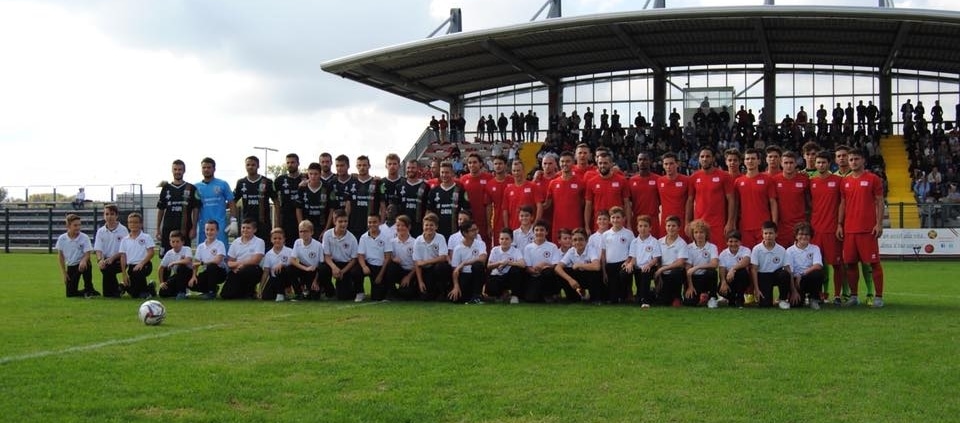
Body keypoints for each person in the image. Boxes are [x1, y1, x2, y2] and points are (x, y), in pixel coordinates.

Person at [838, 149, 886, 308]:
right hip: (849, 229)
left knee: (873, 263)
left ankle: (878, 297)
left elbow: (879, 201)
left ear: (863, 160)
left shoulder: (873, 179)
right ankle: (853, 296)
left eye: (856, 159)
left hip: (867, 229)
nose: (853, 162)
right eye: (850, 159)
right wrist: (840, 224)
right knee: (850, 264)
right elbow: (843, 204)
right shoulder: (845, 181)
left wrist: (879, 223)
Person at [809, 151, 845, 305]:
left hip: (832, 229)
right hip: (816, 229)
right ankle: (818, 294)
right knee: (817, 265)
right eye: (818, 162)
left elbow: (843, 202)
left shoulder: (838, 181)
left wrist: (839, 224)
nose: (821, 165)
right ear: (815, 164)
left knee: (837, 264)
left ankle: (837, 295)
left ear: (829, 163)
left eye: (823, 162)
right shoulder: (812, 182)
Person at [735, 148, 778, 248]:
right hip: (745, 226)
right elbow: (736, 205)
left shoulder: (768, 180)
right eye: (748, 159)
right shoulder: (738, 182)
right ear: (744, 161)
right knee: (748, 257)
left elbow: (773, 202)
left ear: (759, 161)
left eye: (753, 158)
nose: (750, 161)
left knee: (765, 256)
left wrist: (774, 224)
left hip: (764, 227)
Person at [691, 148, 736, 240]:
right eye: (702, 156)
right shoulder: (694, 177)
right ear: (699, 159)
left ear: (713, 158)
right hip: (699, 224)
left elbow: (731, 200)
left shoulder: (724, 176)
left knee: (718, 252)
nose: (704, 159)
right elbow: (689, 200)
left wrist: (730, 222)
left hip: (718, 224)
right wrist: (688, 222)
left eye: (708, 156)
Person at [157, 159, 199, 256]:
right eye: (175, 169)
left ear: (184, 171)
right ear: (172, 171)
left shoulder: (191, 188)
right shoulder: (166, 188)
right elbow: (161, 209)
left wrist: (194, 228)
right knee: (165, 258)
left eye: (180, 169)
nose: (177, 172)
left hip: (184, 229)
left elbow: (196, 209)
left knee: (185, 259)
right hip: (168, 229)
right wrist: (158, 229)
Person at [233, 156, 277, 245]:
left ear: (258, 166)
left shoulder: (266, 182)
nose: (250, 167)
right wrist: (233, 220)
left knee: (265, 247)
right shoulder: (241, 183)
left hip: (263, 223)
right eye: (248, 165)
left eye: (253, 165)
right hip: (247, 223)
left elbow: (276, 201)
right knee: (246, 247)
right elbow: (232, 202)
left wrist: (277, 222)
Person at [584, 152, 631, 234]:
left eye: (605, 163)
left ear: (611, 164)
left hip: (618, 225)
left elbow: (627, 204)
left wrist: (629, 224)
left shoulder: (622, 180)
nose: (602, 166)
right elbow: (588, 206)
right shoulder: (591, 182)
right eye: (600, 163)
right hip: (600, 226)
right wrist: (587, 226)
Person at [750, 221, 792, 309]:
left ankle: (783, 299)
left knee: (784, 274)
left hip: (776, 275)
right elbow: (754, 270)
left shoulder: (781, 250)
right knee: (765, 305)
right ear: (762, 234)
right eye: (766, 233)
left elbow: (788, 269)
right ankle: (767, 299)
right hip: (763, 276)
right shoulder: (757, 249)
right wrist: (756, 289)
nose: (768, 236)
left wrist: (793, 290)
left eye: (771, 233)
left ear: (776, 234)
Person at [544, 151, 585, 242]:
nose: (564, 164)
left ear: (573, 163)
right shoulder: (553, 183)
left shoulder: (580, 183)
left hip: (575, 224)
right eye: (562, 161)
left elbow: (584, 204)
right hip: (558, 224)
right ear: (559, 163)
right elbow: (547, 204)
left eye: (567, 161)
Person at [220, 219, 265, 300]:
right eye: (243, 228)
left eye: (248, 228)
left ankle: (251, 292)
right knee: (225, 295)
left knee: (248, 270)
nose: (245, 230)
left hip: (253, 270)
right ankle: (242, 292)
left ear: (254, 230)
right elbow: (229, 262)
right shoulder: (235, 242)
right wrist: (235, 267)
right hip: (237, 270)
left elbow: (256, 260)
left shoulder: (259, 242)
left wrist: (241, 265)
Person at [772, 151, 810, 248]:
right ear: (781, 163)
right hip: (782, 226)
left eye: (791, 163)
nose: (789, 166)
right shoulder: (774, 180)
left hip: (800, 225)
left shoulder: (804, 179)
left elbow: (810, 202)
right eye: (786, 163)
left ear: (796, 163)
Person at [195, 157, 236, 246]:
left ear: (214, 169)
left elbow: (231, 202)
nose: (206, 170)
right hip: (203, 226)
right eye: (204, 167)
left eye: (209, 167)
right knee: (203, 254)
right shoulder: (196, 187)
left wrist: (233, 220)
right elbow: (194, 208)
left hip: (220, 226)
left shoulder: (222, 184)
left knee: (221, 253)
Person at [322, 209, 361, 301]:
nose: (343, 224)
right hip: (332, 263)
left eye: (345, 221)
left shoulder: (352, 238)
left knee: (344, 297)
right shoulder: (327, 235)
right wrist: (333, 267)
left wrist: (342, 272)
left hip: (345, 265)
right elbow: (326, 256)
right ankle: (329, 291)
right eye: (340, 221)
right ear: (334, 221)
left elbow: (354, 259)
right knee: (322, 269)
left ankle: (351, 289)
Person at [600, 207, 635, 304]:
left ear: (624, 219)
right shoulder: (606, 234)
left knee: (624, 275)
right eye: (613, 217)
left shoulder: (629, 233)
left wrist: (628, 262)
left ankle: (627, 293)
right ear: (610, 219)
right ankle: (616, 296)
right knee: (613, 300)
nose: (615, 220)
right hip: (610, 266)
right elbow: (603, 254)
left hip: (623, 264)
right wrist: (604, 271)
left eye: (618, 217)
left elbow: (632, 252)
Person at [555, 228, 599, 303]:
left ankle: (595, 298)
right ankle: (574, 298)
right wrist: (570, 280)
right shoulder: (571, 251)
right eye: (575, 240)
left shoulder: (591, 249)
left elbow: (597, 266)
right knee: (563, 272)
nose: (578, 242)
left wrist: (579, 265)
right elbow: (557, 268)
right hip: (577, 280)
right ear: (572, 242)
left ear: (586, 241)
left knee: (594, 273)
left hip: (589, 279)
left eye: (581, 239)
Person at [522, 220, 562, 303]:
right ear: (533, 232)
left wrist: (544, 265)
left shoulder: (552, 246)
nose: (539, 232)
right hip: (533, 275)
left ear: (546, 232)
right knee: (531, 299)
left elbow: (555, 265)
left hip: (546, 275)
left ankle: (549, 294)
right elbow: (527, 267)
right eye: (536, 230)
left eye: (542, 230)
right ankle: (539, 294)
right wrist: (533, 271)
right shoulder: (528, 247)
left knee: (548, 271)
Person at [786, 222, 824, 310]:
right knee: (795, 305)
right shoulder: (789, 251)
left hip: (808, 277)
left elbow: (818, 265)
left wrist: (802, 274)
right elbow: (790, 272)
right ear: (796, 236)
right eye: (801, 234)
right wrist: (794, 291)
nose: (804, 236)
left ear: (810, 236)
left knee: (818, 273)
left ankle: (814, 299)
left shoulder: (815, 248)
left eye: (807, 234)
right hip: (795, 281)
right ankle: (799, 297)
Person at [625, 215, 661, 307]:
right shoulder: (634, 242)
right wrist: (630, 264)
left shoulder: (654, 241)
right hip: (637, 268)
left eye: (645, 226)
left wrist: (649, 265)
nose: (643, 228)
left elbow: (656, 258)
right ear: (637, 228)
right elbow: (633, 258)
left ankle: (645, 301)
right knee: (623, 272)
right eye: (640, 226)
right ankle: (625, 296)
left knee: (645, 273)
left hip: (649, 267)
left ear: (650, 228)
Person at [291, 220, 332, 300]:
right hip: (304, 269)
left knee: (314, 297)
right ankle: (299, 292)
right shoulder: (297, 242)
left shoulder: (318, 245)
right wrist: (305, 268)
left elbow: (321, 265)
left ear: (311, 232)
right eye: (301, 231)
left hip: (314, 272)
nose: (303, 233)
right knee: (290, 269)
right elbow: (292, 260)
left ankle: (322, 288)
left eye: (306, 231)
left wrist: (316, 281)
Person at [413, 213, 450, 301]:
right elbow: (417, 263)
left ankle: (443, 291)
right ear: (423, 226)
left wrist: (426, 262)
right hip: (425, 271)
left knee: (441, 267)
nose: (428, 227)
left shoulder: (440, 238)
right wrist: (420, 282)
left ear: (436, 227)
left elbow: (443, 257)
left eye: (431, 225)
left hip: (436, 268)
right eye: (426, 225)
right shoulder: (418, 240)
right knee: (424, 297)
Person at [55, 213, 94, 298]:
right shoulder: (62, 239)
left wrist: (83, 261)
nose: (78, 228)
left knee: (87, 264)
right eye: (75, 225)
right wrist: (64, 273)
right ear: (68, 226)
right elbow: (60, 256)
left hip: (81, 264)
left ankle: (88, 288)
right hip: (71, 265)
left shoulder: (84, 237)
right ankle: (89, 292)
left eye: (79, 225)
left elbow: (88, 253)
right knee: (70, 294)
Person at [449, 219, 487, 304]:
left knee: (478, 265)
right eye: (473, 230)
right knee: (457, 299)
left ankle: (477, 295)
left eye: (476, 229)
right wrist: (456, 285)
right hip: (465, 275)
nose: (476, 232)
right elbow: (455, 270)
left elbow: (483, 258)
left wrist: (464, 263)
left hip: (477, 275)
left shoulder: (480, 244)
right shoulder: (458, 248)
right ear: (465, 233)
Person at [119, 212, 156, 299]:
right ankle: (150, 288)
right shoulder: (125, 240)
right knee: (134, 294)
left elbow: (151, 252)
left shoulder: (146, 237)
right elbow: (123, 257)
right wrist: (124, 274)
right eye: (130, 222)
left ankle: (143, 292)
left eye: (135, 222)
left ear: (141, 224)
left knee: (138, 272)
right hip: (132, 267)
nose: (133, 224)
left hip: (145, 264)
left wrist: (141, 263)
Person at [683, 219, 720, 308]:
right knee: (690, 304)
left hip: (706, 278)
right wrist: (690, 286)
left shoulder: (712, 247)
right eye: (696, 232)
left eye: (701, 232)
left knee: (712, 272)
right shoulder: (688, 248)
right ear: (693, 234)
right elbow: (688, 270)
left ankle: (712, 298)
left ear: (706, 234)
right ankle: (702, 297)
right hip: (694, 279)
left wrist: (697, 267)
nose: (699, 235)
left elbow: (714, 264)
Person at [657, 153, 693, 240]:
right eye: (666, 164)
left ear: (677, 164)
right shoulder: (659, 181)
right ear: (663, 165)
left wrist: (688, 222)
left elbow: (690, 201)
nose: (668, 166)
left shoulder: (687, 180)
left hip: (681, 222)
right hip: (665, 223)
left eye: (671, 163)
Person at [94, 204, 128, 298]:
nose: (109, 216)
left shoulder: (123, 230)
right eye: (107, 214)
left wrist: (113, 258)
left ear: (116, 216)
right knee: (105, 267)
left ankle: (118, 289)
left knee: (108, 269)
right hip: (106, 260)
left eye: (112, 214)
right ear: (104, 216)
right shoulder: (100, 231)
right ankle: (119, 288)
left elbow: (125, 249)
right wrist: (100, 260)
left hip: (120, 259)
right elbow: (98, 248)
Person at [459, 153, 493, 245]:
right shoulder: (462, 180)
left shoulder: (489, 178)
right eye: (469, 163)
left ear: (480, 164)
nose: (472, 165)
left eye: (474, 162)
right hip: (468, 220)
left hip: (483, 219)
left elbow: (490, 202)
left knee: (485, 244)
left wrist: (489, 224)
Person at [297, 162, 337, 239]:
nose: (313, 176)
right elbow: (298, 209)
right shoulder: (302, 188)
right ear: (308, 174)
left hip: (322, 226)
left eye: (316, 174)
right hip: (307, 226)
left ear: (320, 174)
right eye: (311, 174)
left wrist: (326, 229)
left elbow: (332, 209)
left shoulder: (327, 187)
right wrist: (301, 228)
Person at [358, 213, 393, 302]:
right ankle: (360, 292)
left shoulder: (385, 238)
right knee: (356, 269)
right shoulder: (363, 237)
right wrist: (364, 266)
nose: (372, 224)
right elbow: (360, 255)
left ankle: (389, 293)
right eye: (369, 222)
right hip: (369, 266)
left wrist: (380, 275)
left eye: (374, 222)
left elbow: (387, 258)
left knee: (377, 297)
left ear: (379, 222)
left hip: (381, 267)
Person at [655, 215, 688, 307]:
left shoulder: (682, 243)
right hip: (662, 273)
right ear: (665, 227)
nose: (671, 228)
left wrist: (663, 269)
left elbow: (680, 262)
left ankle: (677, 297)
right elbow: (657, 259)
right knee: (663, 302)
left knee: (675, 272)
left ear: (679, 228)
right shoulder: (659, 242)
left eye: (673, 226)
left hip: (676, 272)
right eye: (668, 226)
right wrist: (659, 271)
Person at [189, 220, 228, 299]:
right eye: (207, 229)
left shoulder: (220, 244)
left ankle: (211, 292)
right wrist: (193, 276)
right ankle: (210, 289)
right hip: (207, 272)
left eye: (212, 230)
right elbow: (195, 264)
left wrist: (202, 263)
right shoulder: (200, 246)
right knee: (192, 284)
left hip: (219, 273)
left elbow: (217, 261)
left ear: (217, 231)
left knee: (212, 266)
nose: (209, 232)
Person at [274, 153, 306, 247]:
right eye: (288, 163)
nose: (290, 165)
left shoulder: (305, 178)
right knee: (286, 246)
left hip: (302, 218)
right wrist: (277, 222)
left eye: (293, 162)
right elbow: (276, 201)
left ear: (298, 163)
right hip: (286, 218)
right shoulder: (280, 180)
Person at [347, 155, 382, 240]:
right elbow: (348, 206)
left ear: (369, 166)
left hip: (371, 226)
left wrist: (381, 225)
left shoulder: (377, 182)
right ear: (356, 167)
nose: (362, 167)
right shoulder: (351, 182)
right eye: (359, 165)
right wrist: (346, 222)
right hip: (354, 226)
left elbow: (382, 206)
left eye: (364, 165)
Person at [486, 228, 525, 303]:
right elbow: (488, 266)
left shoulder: (516, 251)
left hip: (509, 277)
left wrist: (508, 263)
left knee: (516, 270)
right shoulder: (495, 250)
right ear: (499, 240)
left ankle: (514, 295)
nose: (504, 241)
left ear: (512, 240)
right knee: (492, 287)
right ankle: (502, 294)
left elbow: (523, 264)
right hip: (497, 277)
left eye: (507, 239)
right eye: (502, 239)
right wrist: (500, 262)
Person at [385, 215, 419, 300]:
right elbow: (385, 257)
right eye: (398, 225)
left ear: (409, 227)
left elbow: (417, 264)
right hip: (398, 270)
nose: (400, 228)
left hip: (411, 272)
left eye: (403, 225)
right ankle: (392, 292)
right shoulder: (391, 242)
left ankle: (404, 290)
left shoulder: (415, 242)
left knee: (407, 294)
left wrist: (409, 277)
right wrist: (392, 259)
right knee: (391, 266)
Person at [503, 160, 543, 231]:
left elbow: (539, 206)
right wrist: (507, 227)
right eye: (514, 171)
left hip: (530, 228)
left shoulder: (533, 186)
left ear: (523, 171)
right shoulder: (508, 189)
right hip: (514, 228)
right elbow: (505, 210)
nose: (516, 173)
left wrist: (536, 223)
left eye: (518, 170)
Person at [629, 152, 662, 238]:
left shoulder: (658, 179)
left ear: (650, 161)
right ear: (637, 161)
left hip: (653, 219)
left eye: (645, 159)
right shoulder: (631, 181)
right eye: (640, 159)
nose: (642, 162)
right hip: (637, 219)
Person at [258, 228, 295, 301]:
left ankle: (282, 293)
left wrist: (282, 265)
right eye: (275, 238)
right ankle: (281, 293)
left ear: (284, 239)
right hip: (274, 279)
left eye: (279, 238)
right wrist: (260, 289)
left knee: (280, 269)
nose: (277, 240)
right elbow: (266, 272)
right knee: (266, 297)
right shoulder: (268, 254)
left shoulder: (290, 251)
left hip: (286, 279)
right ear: (271, 239)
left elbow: (293, 267)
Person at [718, 230, 751, 308]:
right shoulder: (723, 254)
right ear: (727, 242)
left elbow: (746, 261)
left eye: (736, 241)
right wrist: (723, 282)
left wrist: (733, 269)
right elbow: (721, 269)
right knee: (720, 289)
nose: (733, 244)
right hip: (729, 279)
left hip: (742, 280)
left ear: (740, 242)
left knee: (742, 272)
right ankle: (732, 299)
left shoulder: (746, 250)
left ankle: (740, 299)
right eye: (730, 241)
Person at [157, 230, 193, 300]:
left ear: (182, 242)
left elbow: (188, 260)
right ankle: (178, 292)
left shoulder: (187, 249)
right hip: (177, 275)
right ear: (170, 242)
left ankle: (182, 292)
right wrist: (161, 282)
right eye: (173, 242)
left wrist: (174, 262)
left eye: (177, 241)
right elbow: (161, 268)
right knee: (163, 292)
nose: (175, 244)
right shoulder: (169, 253)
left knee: (181, 267)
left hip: (188, 275)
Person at [398, 159, 429, 237]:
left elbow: (428, 209)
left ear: (418, 169)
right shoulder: (399, 186)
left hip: (418, 226)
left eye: (413, 168)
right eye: (408, 168)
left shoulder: (425, 186)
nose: (410, 170)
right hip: (403, 226)